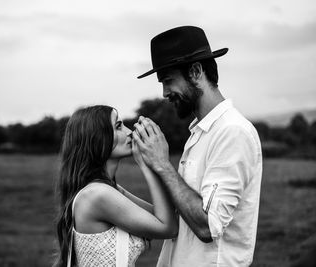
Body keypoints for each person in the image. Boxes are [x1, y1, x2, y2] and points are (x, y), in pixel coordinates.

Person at [134, 26, 263, 266]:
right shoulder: (201, 132)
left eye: (168, 81)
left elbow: (207, 227)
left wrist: (162, 164)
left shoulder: (232, 132)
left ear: (195, 71)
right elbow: (182, 214)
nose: (164, 93)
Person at [54, 105, 178, 267]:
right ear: (97, 138)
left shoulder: (106, 189)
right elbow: (169, 228)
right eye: (118, 126)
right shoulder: (98, 194)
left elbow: (164, 217)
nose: (129, 132)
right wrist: (149, 165)